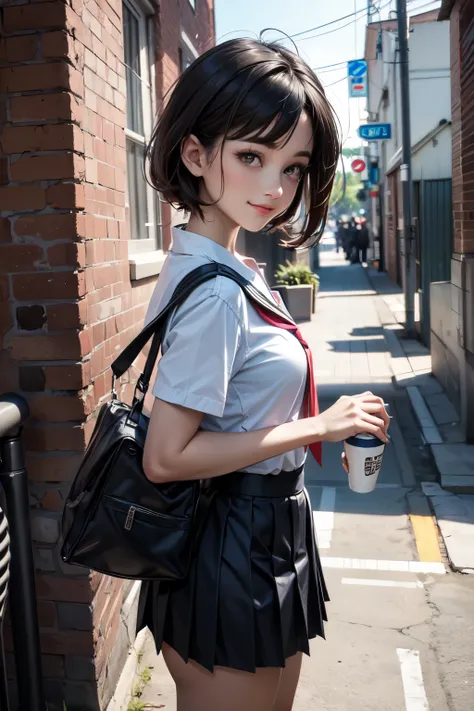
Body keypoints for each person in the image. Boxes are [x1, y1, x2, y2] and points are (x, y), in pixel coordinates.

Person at [136, 38, 390, 711]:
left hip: (264, 528)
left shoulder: (230, 268)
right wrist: (317, 424)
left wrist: (325, 424)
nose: (276, 189)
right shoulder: (217, 288)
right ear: (196, 154)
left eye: (293, 166)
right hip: (229, 540)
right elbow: (167, 456)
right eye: (251, 156)